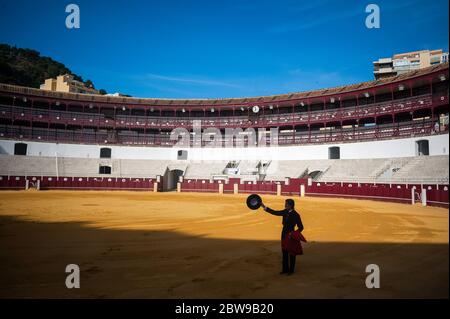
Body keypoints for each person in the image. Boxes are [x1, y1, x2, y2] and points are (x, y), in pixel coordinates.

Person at [261, 199, 304, 275]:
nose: (285, 205)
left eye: (286, 204)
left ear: (290, 205)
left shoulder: (296, 215)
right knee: (284, 252)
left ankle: (291, 270)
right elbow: (275, 212)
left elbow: (301, 227)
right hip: (284, 234)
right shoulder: (285, 211)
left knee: (291, 253)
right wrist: (264, 207)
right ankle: (285, 269)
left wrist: (294, 234)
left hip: (291, 235)